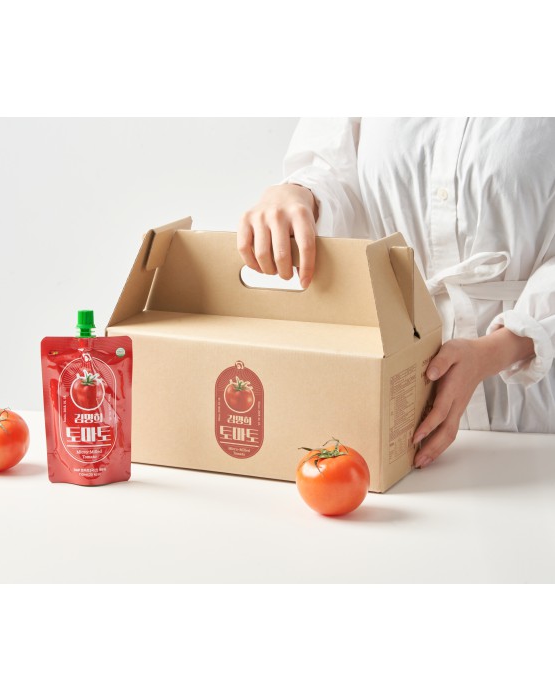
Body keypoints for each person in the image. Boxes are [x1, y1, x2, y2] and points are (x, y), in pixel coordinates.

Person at [238, 118, 555, 467]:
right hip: (392, 384)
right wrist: (300, 191)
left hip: (530, 412)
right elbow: (331, 170)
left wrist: (498, 350)